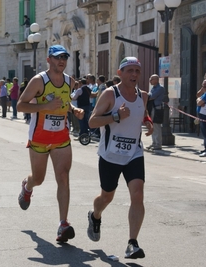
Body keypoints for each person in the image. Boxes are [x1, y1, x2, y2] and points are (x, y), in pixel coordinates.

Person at [87, 57, 153, 259]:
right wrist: (116, 116)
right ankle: (95, 215)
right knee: (106, 197)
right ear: (121, 72)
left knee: (138, 194)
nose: (134, 75)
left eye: (137, 71)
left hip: (134, 153)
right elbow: (92, 122)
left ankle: (132, 243)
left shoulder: (142, 96)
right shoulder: (110, 94)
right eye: (130, 70)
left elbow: (142, 112)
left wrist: (148, 121)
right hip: (110, 155)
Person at [17, 45, 84, 243]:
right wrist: (45, 106)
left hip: (61, 138)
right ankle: (27, 187)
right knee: (39, 178)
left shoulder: (69, 81)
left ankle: (63, 224)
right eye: (57, 57)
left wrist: (73, 110)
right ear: (49, 60)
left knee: (63, 177)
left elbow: (63, 102)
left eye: (64, 57)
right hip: (39, 137)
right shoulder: (39, 81)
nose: (61, 60)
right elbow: (21, 105)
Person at [148, 74, 165, 150]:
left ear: (156, 80)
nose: (150, 81)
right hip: (152, 108)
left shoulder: (160, 88)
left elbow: (151, 96)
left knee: (156, 126)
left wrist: (147, 96)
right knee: (152, 125)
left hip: (157, 108)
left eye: (151, 79)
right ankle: (154, 143)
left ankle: (158, 144)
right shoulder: (153, 88)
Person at [196, 79, 206, 157]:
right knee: (204, 133)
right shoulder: (204, 92)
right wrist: (202, 89)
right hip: (202, 114)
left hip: (204, 115)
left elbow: (199, 102)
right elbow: (198, 96)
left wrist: (199, 101)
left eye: (204, 85)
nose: (203, 86)